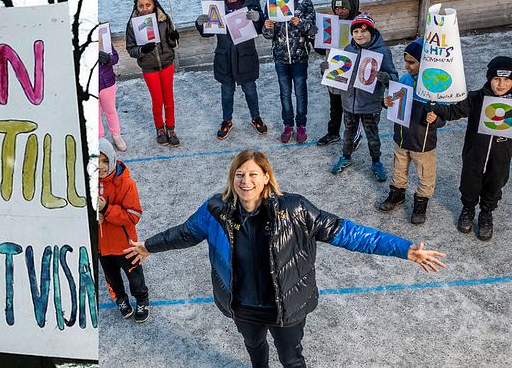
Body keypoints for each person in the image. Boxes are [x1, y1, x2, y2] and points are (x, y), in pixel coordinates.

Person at [124, 149, 445, 368]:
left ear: (266, 177)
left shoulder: (296, 210)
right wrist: (148, 246)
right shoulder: (215, 210)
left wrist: (404, 249)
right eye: (239, 175)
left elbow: (349, 233)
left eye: (252, 174)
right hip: (242, 307)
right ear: (231, 180)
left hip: (286, 307)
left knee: (291, 359)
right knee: (254, 348)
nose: (245, 181)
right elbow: (184, 233)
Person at [427, 56, 512, 241]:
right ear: (489, 78)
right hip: (475, 153)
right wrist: (436, 106)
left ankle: (486, 213)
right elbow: (454, 111)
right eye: (497, 79)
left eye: (507, 80)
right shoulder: (476, 98)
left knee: (495, 183)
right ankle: (468, 208)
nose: (501, 84)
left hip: (501, 156)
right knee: (469, 183)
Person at [195, 0, 267, 140]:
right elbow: (207, 32)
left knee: (250, 89)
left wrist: (258, 19)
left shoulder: (250, 2)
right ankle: (227, 120)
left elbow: (260, 28)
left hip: (245, 56)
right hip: (224, 56)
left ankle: (255, 117)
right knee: (227, 92)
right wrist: (200, 23)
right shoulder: (217, 6)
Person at [380, 39, 445, 224]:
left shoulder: (433, 87)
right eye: (405, 61)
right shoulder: (405, 79)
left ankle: (421, 201)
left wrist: (436, 120)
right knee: (398, 169)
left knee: (425, 174)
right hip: (401, 138)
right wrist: (386, 103)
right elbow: (395, 101)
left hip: (422, 142)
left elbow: (443, 115)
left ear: (424, 62)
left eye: (411, 62)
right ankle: (397, 193)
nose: (407, 66)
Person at [330, 12, 398, 181]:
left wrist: (386, 78)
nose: (359, 35)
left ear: (371, 32)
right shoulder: (348, 49)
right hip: (349, 103)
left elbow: (394, 77)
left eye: (363, 31)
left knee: (373, 136)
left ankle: (376, 161)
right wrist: (328, 69)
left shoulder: (382, 52)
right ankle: (346, 157)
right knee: (348, 133)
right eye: (355, 32)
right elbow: (340, 75)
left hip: (371, 104)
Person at [263, 0, 315, 144]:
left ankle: (301, 125)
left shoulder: (304, 1)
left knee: (300, 92)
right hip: (280, 57)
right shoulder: (271, 2)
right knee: (285, 93)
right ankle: (288, 125)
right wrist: (267, 27)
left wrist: (299, 23)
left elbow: (312, 30)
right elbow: (268, 35)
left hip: (300, 56)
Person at [98, 138, 149, 322]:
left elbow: (133, 215)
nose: (101, 167)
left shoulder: (127, 184)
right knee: (111, 277)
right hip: (102, 246)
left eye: (104, 161)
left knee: (134, 276)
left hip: (125, 245)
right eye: (95, 161)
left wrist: (106, 209)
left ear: (112, 159)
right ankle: (120, 298)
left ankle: (142, 299)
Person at [125, 0, 181, 146]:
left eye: (148, 5)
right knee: (157, 100)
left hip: (166, 63)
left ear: (154, 4)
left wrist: (173, 38)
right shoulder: (132, 25)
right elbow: (131, 49)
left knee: (168, 98)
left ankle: (170, 128)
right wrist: (142, 50)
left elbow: (172, 43)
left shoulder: (163, 19)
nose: (144, 8)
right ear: (136, 7)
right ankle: (160, 128)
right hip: (149, 67)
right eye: (141, 5)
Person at [316, 0, 363, 150]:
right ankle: (333, 132)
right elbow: (322, 50)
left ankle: (355, 136)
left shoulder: (362, 25)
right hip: (335, 72)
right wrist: (313, 37)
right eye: (337, 8)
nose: (340, 11)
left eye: (344, 7)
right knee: (335, 105)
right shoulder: (330, 24)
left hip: (353, 73)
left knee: (352, 108)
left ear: (353, 6)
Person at [99, 45, 127, 151]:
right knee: (95, 114)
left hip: (107, 82)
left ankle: (116, 136)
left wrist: (108, 59)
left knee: (110, 110)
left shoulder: (104, 38)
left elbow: (115, 57)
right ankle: (99, 139)